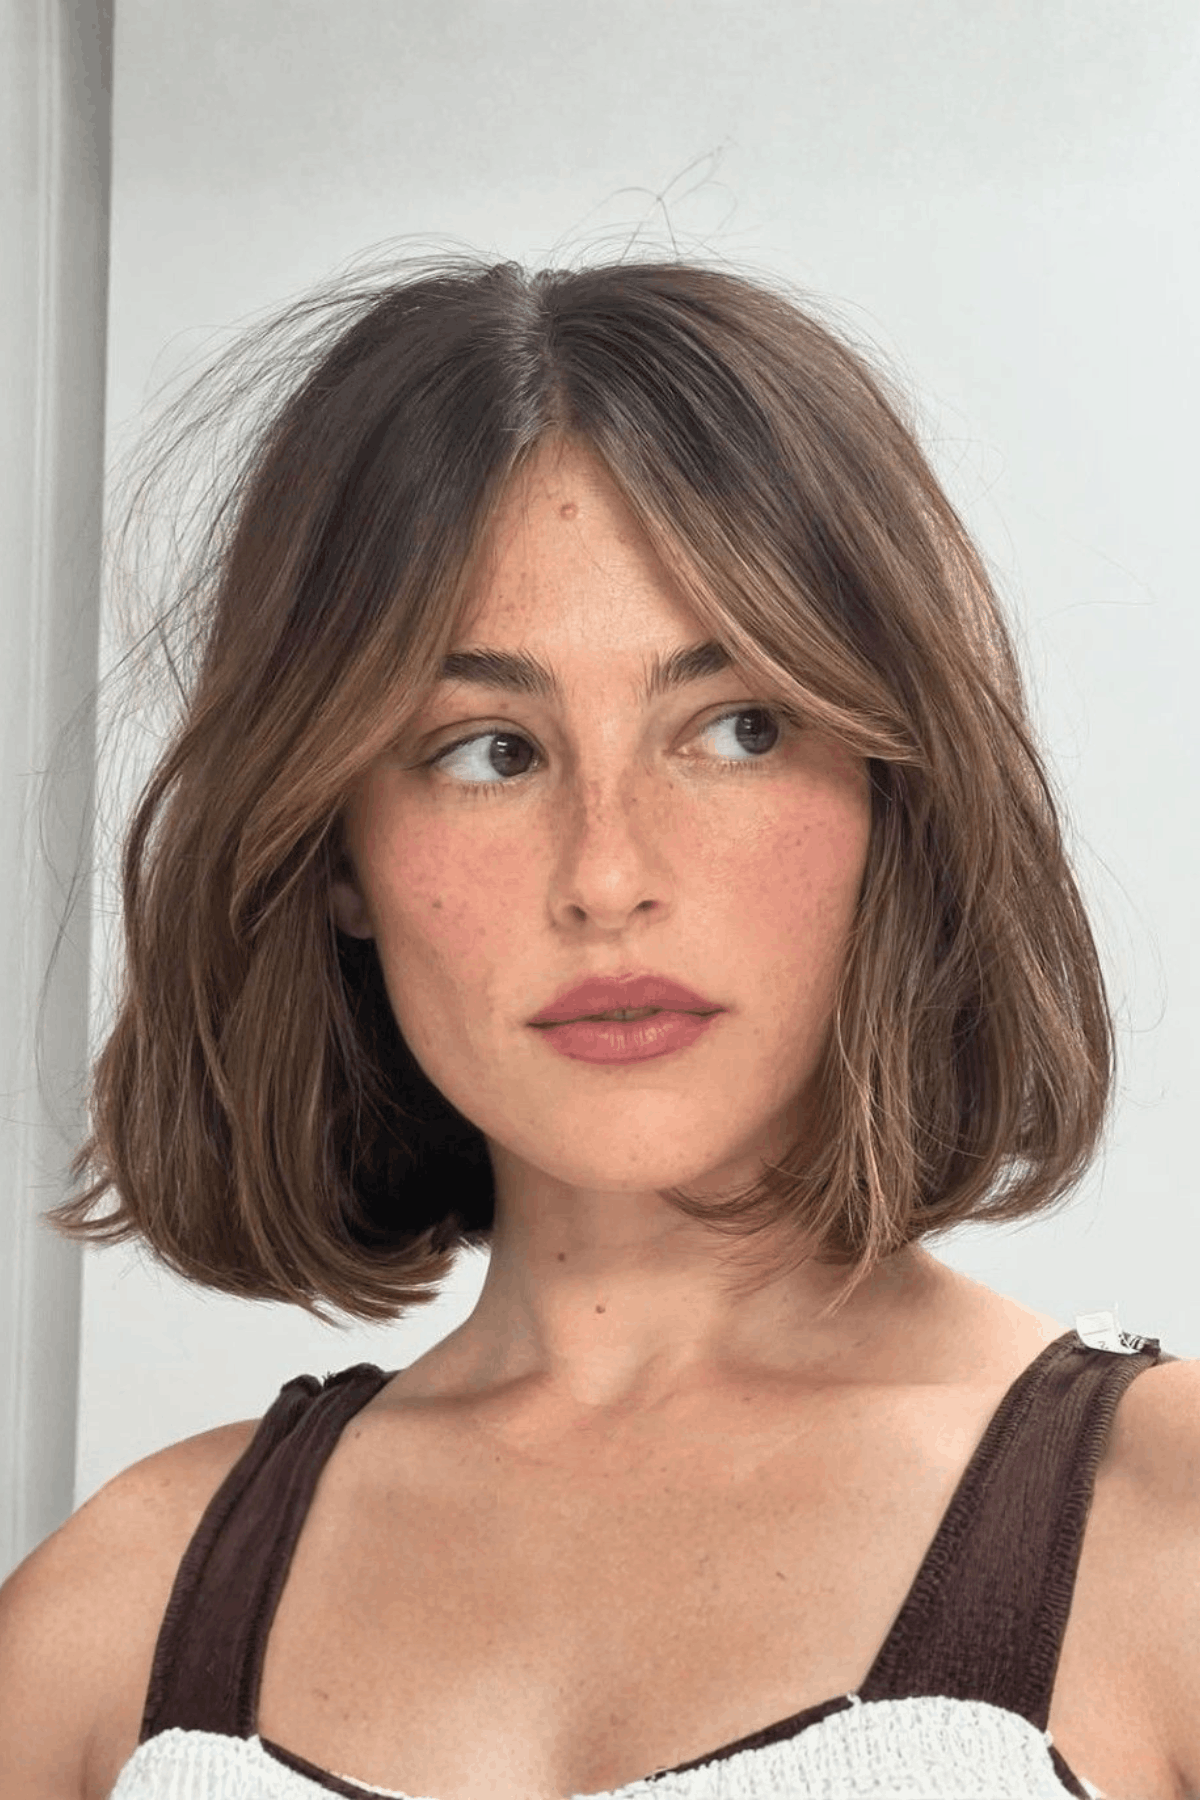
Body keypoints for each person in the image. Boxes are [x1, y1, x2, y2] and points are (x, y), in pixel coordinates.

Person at [0, 251, 1196, 1800]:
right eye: (489, 750)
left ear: (891, 792)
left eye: (738, 729)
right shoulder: (110, 1629)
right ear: (336, 850)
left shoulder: (1167, 1535)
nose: (611, 874)